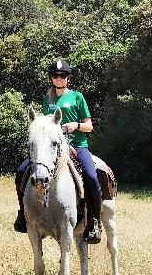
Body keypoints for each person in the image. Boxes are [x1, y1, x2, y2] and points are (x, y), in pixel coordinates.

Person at [13, 59, 102, 243]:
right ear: (51, 78)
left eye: (63, 75)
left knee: (92, 177)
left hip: (77, 146)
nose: (59, 78)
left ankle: (94, 222)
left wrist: (76, 125)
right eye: (56, 75)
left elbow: (89, 126)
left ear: (68, 78)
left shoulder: (77, 97)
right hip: (53, 149)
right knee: (22, 171)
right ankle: (23, 215)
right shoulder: (48, 99)